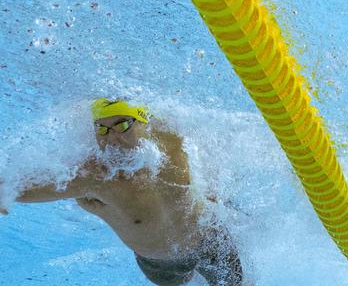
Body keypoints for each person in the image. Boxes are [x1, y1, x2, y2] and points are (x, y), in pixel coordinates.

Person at [0, 99, 246, 285]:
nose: (113, 137)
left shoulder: (172, 140)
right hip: (160, 263)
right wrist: (5, 191)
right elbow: (32, 185)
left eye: (122, 125)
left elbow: (210, 139)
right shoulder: (97, 176)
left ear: (144, 123)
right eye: (102, 129)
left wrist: (213, 187)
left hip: (210, 240)